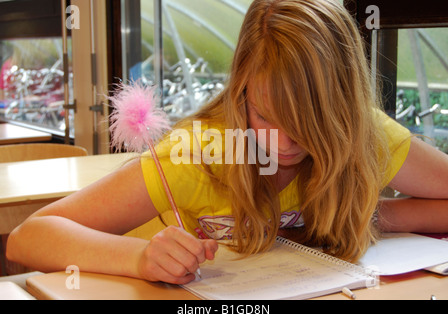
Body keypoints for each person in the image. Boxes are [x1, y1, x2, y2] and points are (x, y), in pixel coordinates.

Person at [7, 0, 448, 285]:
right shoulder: (199, 156)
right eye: (266, 117)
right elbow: (28, 237)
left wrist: (361, 213)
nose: (286, 142)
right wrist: (140, 257)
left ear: (345, 113)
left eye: (310, 123)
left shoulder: (365, 135)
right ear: (241, 94)